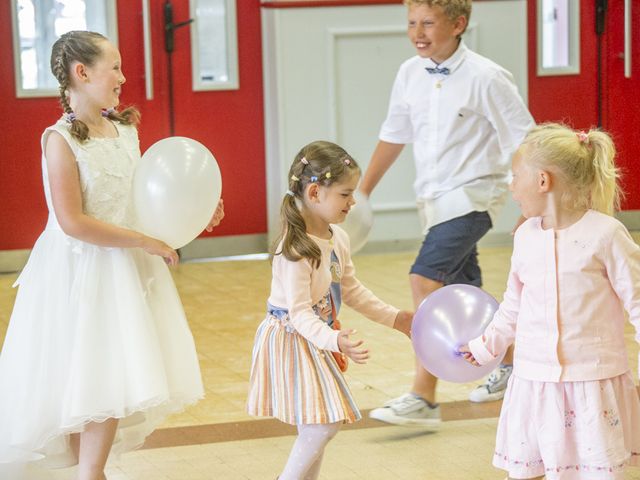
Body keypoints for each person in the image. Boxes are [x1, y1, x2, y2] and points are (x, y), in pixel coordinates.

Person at [0, 31, 224, 480]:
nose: (123, 77)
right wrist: (146, 242)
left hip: (124, 265)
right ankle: (90, 471)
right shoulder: (59, 140)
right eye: (115, 68)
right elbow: (72, 221)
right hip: (82, 269)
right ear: (81, 73)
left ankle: (91, 471)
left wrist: (195, 210)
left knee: (111, 370)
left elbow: (141, 197)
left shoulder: (124, 129)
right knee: (93, 369)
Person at [362, 0, 535, 425]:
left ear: (459, 24)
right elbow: (393, 136)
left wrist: (531, 206)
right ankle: (511, 366)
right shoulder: (408, 73)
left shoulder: (487, 77)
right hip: (433, 202)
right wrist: (362, 192)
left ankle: (423, 396)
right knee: (465, 296)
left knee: (424, 278)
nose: (418, 32)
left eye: (428, 23)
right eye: (411, 23)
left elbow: (526, 139)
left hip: (474, 198)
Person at [459, 123, 640, 480]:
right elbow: (513, 303)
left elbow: (637, 300)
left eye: (515, 177)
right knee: (526, 471)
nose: (511, 187)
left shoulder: (606, 235)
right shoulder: (525, 236)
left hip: (591, 381)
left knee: (594, 472)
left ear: (542, 181)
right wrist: (485, 346)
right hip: (533, 381)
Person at [246, 141, 413, 480]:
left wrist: (396, 318)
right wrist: (335, 340)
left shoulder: (338, 237)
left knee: (316, 424)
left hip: (316, 338)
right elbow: (299, 314)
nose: (353, 203)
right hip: (292, 339)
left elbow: (349, 289)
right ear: (314, 192)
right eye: (346, 194)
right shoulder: (294, 250)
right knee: (322, 424)